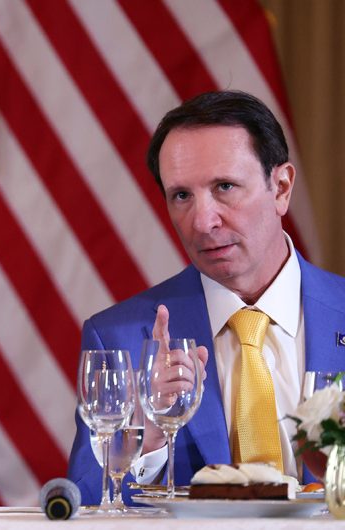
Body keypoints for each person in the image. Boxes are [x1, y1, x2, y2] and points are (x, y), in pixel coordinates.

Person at [68, 90, 345, 505]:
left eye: (225, 187)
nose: (202, 221)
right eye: (182, 196)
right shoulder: (118, 337)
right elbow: (83, 505)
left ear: (281, 188)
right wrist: (146, 433)